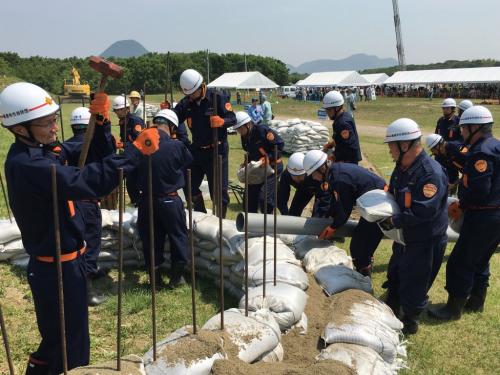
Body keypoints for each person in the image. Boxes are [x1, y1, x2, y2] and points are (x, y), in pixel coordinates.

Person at [0, 82, 159, 374]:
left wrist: (99, 123)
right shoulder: (28, 165)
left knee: (73, 341)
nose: (54, 128)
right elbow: (88, 181)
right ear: (20, 128)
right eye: (46, 123)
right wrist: (135, 152)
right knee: (63, 347)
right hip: (55, 271)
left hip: (69, 266)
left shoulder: (44, 152)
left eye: (53, 119)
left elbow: (90, 154)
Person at [429, 106, 500, 321]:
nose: (462, 133)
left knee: (461, 261)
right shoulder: (495, 146)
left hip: (483, 216)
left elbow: (479, 190)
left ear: (474, 127)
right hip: (495, 216)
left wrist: (462, 205)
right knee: (481, 259)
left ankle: (453, 309)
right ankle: (476, 301)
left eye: (464, 129)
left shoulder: (481, 151)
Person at [380, 118, 448, 335]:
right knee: (397, 270)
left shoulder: (430, 174)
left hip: (425, 238)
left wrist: (394, 221)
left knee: (416, 280)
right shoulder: (402, 167)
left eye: (391, 145)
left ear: (405, 145)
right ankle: (393, 302)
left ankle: (410, 320)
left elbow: (424, 210)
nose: (390, 151)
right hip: (406, 235)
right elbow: (395, 192)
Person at [127, 109, 193, 289]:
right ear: (172, 127)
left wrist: (135, 198)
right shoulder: (176, 146)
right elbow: (188, 163)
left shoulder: (140, 145)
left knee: (151, 239)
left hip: (146, 201)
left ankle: (155, 279)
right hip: (170, 200)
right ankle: (176, 278)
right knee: (178, 237)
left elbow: (130, 175)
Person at [303, 150, 387, 277]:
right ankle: (363, 268)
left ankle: (364, 277)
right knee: (359, 245)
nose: (314, 178)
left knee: (359, 248)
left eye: (313, 174)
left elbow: (344, 210)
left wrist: (333, 227)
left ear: (321, 168)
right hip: (372, 204)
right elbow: (334, 203)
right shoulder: (334, 173)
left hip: (379, 205)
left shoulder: (340, 178)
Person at [63, 107, 116, 306]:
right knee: (90, 244)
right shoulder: (93, 146)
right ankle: (86, 291)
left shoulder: (64, 146)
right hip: (87, 203)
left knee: (78, 242)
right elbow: (109, 155)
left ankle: (90, 273)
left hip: (70, 203)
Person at [174, 69, 236, 217]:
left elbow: (233, 118)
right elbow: (175, 117)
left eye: (193, 93)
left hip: (217, 151)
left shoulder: (218, 98)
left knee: (218, 191)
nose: (191, 97)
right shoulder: (188, 101)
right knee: (188, 183)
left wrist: (222, 121)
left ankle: (220, 221)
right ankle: (200, 213)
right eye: (188, 95)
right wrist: (167, 113)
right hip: (197, 151)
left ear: (202, 87)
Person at [233, 111, 284, 213]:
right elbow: (251, 151)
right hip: (258, 169)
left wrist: (268, 158)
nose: (239, 132)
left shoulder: (262, 130)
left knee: (264, 198)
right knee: (248, 200)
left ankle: (267, 223)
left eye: (240, 129)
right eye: (237, 129)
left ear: (248, 125)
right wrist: (246, 162)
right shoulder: (244, 136)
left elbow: (280, 145)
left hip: (273, 167)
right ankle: (250, 224)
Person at [277, 152, 330, 217]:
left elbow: (323, 201)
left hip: (317, 189)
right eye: (294, 176)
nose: (297, 179)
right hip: (303, 190)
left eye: (300, 176)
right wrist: (285, 215)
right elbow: (282, 197)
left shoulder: (316, 176)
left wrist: (316, 220)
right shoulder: (286, 175)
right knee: (293, 213)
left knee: (318, 215)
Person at [321, 90, 362, 164]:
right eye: (326, 110)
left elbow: (348, 147)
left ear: (337, 108)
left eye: (329, 110)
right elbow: (341, 140)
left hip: (348, 162)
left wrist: (333, 156)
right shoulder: (342, 118)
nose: (327, 112)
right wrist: (331, 144)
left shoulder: (343, 123)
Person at [435, 98, 462, 194]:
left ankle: (452, 195)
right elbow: (436, 136)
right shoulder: (440, 121)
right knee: (439, 176)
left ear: (452, 109)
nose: (444, 110)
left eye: (447, 108)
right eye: (443, 108)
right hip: (439, 155)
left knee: (452, 177)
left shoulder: (458, 122)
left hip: (452, 156)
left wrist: (450, 146)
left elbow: (461, 140)